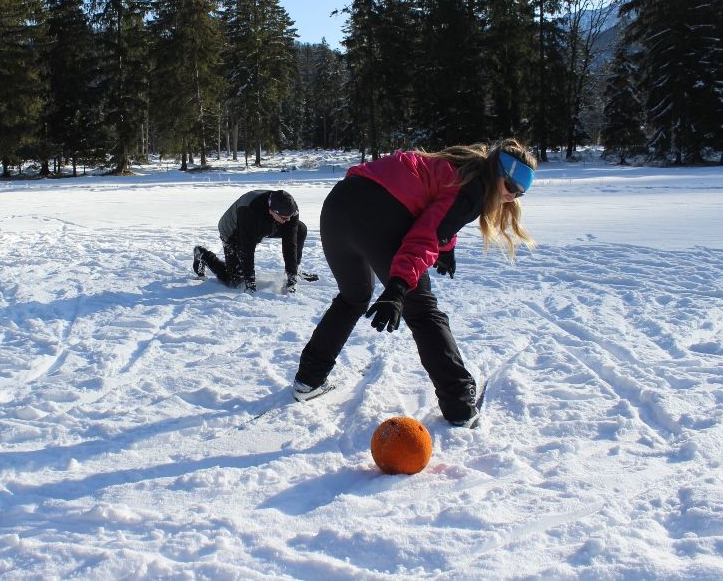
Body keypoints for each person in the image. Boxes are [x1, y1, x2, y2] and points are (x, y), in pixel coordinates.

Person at [291, 139, 536, 427]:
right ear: (496, 175)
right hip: (377, 213)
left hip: (338, 207)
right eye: (511, 187)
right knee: (422, 311)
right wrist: (398, 286)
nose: (513, 196)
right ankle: (459, 405)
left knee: (353, 296)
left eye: (521, 192)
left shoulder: (457, 168)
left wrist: (446, 248)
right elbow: (425, 235)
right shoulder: (475, 188)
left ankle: (308, 380)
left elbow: (438, 211)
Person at [193, 189, 313, 293]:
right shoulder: (249, 211)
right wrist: (250, 282)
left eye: (290, 216)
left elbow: (290, 242)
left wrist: (291, 275)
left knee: (300, 229)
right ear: (272, 210)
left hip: (265, 224)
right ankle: (203, 254)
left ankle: (295, 270)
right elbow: (246, 249)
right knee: (236, 281)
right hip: (234, 230)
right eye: (284, 218)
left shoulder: (290, 208)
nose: (288, 220)